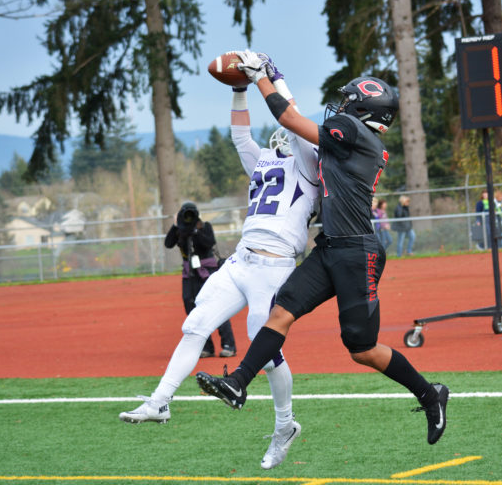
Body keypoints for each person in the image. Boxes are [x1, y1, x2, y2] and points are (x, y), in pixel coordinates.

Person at [195, 50, 449, 447]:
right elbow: (296, 122)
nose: (341, 107)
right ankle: (238, 383)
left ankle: (430, 394)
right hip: (330, 247)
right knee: (280, 312)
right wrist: (275, 75)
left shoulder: (356, 134)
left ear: (365, 109)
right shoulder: (352, 136)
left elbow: (289, 119)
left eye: (349, 102)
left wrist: (261, 76)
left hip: (357, 252)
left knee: (361, 349)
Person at [119, 59, 319, 471]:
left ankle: (285, 425)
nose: (283, 133)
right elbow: (239, 135)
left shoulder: (311, 163)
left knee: (265, 353)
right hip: (240, 261)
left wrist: (272, 74)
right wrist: (239, 87)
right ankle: (159, 402)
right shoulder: (264, 160)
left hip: (275, 267)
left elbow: (292, 115)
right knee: (194, 325)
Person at [165, 201, 236, 358]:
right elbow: (168, 243)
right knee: (190, 306)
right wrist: (177, 226)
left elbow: (209, 243)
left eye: (191, 215)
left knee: (216, 306)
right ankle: (206, 347)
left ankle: (228, 345)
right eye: (186, 216)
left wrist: (195, 230)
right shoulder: (180, 230)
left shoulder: (205, 226)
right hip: (189, 273)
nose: (189, 219)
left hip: (207, 271)